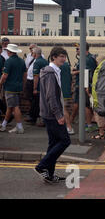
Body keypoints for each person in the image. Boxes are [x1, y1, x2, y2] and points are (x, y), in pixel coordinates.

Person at [34, 47, 71, 184]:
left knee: (54, 143)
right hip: (52, 114)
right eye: (61, 56)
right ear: (53, 57)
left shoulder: (54, 71)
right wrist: (58, 115)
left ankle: (49, 174)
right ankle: (41, 166)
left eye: (64, 56)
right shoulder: (50, 73)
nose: (64, 59)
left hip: (48, 113)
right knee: (65, 141)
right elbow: (51, 96)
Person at [70, 43, 98, 132]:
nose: (76, 51)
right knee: (79, 103)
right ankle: (70, 121)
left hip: (84, 84)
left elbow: (87, 72)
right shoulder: (83, 59)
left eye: (78, 49)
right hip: (81, 84)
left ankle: (88, 124)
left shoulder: (88, 59)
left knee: (86, 105)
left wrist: (76, 72)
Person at [0, 44, 27, 134]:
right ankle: (3, 125)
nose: (6, 52)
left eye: (7, 50)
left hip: (10, 87)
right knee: (10, 106)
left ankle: (19, 127)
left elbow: (4, 76)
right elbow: (25, 75)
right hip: (18, 87)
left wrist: (0, 84)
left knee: (15, 107)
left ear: (10, 52)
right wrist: (23, 85)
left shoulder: (9, 61)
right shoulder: (21, 61)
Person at [30, 47, 48, 126]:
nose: (31, 54)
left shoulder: (37, 62)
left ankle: (40, 120)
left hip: (39, 86)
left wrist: (34, 88)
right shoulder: (45, 61)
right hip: (46, 85)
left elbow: (36, 76)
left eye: (32, 53)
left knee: (38, 104)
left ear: (35, 54)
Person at [60, 59, 74, 135]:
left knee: (64, 109)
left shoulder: (59, 66)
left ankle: (69, 127)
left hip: (62, 91)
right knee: (65, 110)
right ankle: (67, 127)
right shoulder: (66, 65)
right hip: (67, 90)